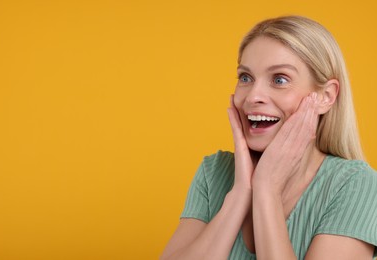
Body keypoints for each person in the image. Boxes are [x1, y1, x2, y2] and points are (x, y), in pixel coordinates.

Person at [160, 16, 377, 260]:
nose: (253, 96)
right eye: (245, 78)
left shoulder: (356, 185)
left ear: (326, 96)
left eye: (279, 79)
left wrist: (266, 189)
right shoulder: (213, 172)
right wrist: (240, 193)